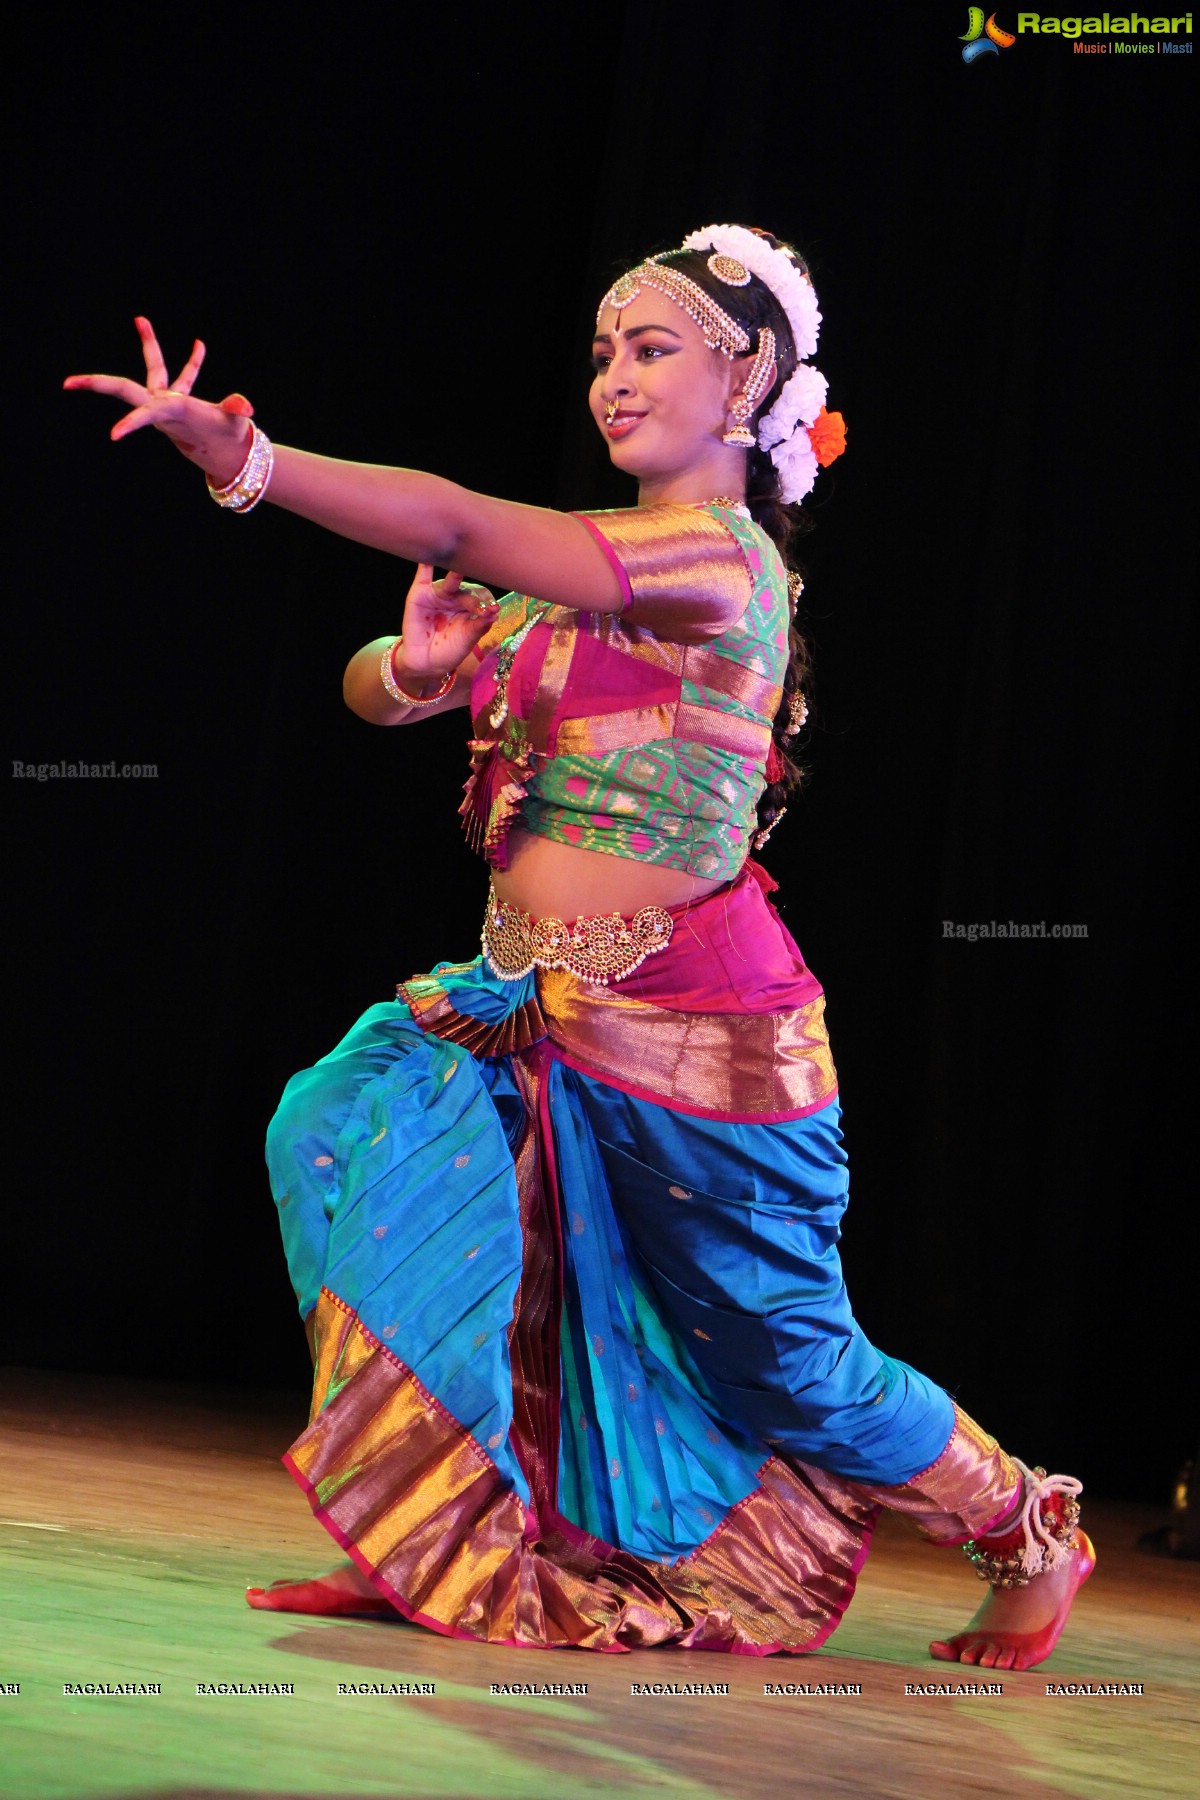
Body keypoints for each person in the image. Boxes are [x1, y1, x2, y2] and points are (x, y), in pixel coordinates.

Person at [66, 224, 1094, 1668]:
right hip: (529, 1006)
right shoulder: (589, 576)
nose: (614, 377)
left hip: (702, 1031)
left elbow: (455, 525)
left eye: (653, 346)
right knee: (358, 1144)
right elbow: (388, 682)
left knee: (781, 1353)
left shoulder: (717, 562)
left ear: (750, 380)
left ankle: (1025, 1529)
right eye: (606, 351)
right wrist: (411, 671)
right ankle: (459, 1540)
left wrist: (254, 464)